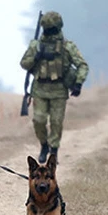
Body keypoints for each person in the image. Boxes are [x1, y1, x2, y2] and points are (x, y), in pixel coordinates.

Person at [19, 11, 89, 164]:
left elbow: (82, 65)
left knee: (56, 122)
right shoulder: (36, 46)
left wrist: (78, 83)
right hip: (40, 89)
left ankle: (54, 151)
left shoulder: (66, 46)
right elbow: (24, 63)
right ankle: (44, 145)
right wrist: (36, 57)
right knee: (38, 120)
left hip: (59, 90)